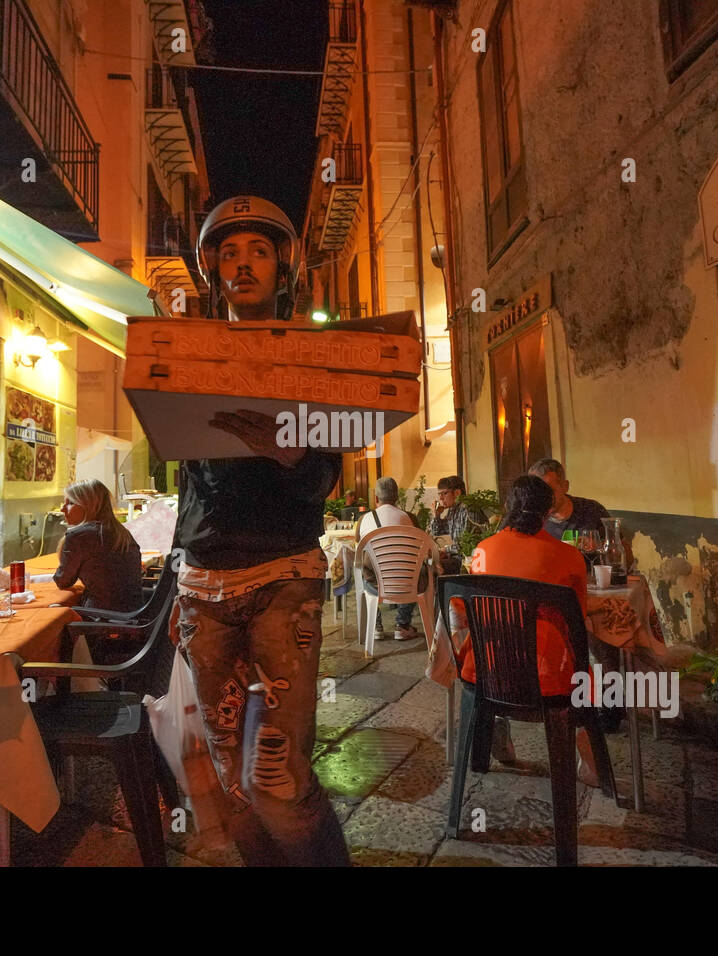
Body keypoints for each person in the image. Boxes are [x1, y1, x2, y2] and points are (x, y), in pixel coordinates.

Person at [173, 195, 350, 866]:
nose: (242, 263)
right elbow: (190, 479)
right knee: (230, 782)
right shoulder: (187, 356)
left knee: (277, 780)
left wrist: (291, 453)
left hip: (284, 579)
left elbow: (327, 476)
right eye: (228, 252)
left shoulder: (311, 354)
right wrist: (175, 579)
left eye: (259, 251)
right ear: (213, 270)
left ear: (283, 268)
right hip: (201, 585)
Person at [458, 476, 603, 786]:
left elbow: (465, 612)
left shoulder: (483, 550)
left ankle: (494, 724)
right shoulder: (568, 556)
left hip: (485, 671)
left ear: (509, 506)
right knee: (582, 671)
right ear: (548, 511)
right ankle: (589, 761)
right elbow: (576, 619)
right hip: (549, 678)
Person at [53, 478, 142, 611]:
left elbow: (63, 581)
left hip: (101, 616)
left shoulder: (78, 536)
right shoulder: (122, 532)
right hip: (133, 612)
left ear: (89, 505)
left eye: (70, 503)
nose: (62, 509)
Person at [355, 476, 421, 641]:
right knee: (417, 571)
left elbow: (359, 545)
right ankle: (403, 625)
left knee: (364, 569)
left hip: (375, 585)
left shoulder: (364, 520)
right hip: (407, 584)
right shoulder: (410, 518)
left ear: (376, 498)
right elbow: (421, 546)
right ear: (397, 497)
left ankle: (376, 626)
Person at [528, 458, 610, 540]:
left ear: (565, 486)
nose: (543, 497)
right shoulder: (531, 517)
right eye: (538, 492)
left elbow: (616, 544)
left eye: (550, 491)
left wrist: (596, 545)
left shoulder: (592, 509)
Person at [428, 474, 484, 574]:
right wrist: (436, 515)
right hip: (457, 558)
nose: (440, 498)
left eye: (444, 493)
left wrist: (445, 550)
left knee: (432, 566)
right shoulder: (453, 510)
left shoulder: (469, 510)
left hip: (469, 559)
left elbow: (467, 545)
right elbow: (437, 531)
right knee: (428, 562)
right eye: (439, 494)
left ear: (457, 493)